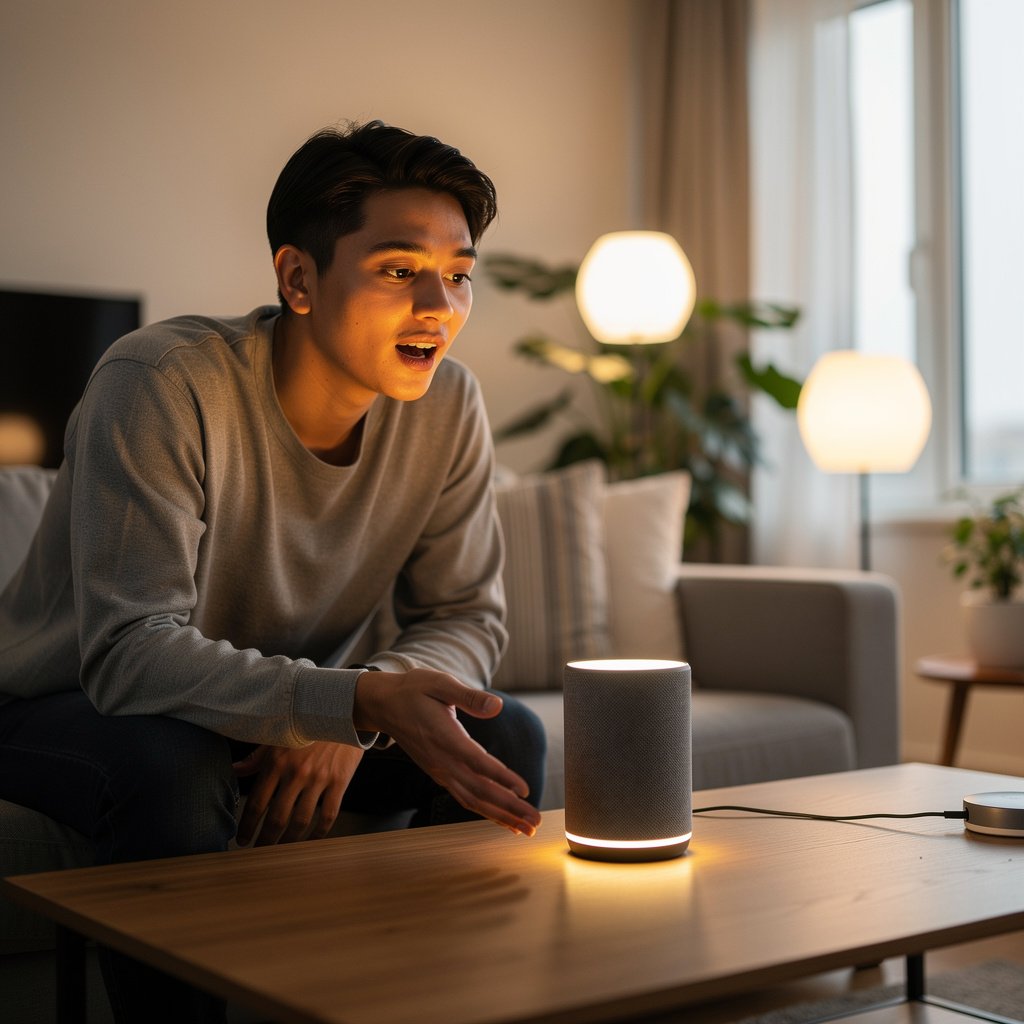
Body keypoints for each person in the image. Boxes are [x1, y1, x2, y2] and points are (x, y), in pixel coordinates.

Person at [0, 120, 545, 1022]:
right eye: (399, 269)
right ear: (298, 278)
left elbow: (467, 614)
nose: (440, 306)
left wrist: (355, 702)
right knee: (173, 769)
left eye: (458, 275)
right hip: (64, 701)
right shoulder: (162, 380)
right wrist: (348, 704)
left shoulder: (450, 402)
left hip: (272, 701)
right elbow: (132, 652)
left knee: (506, 742)